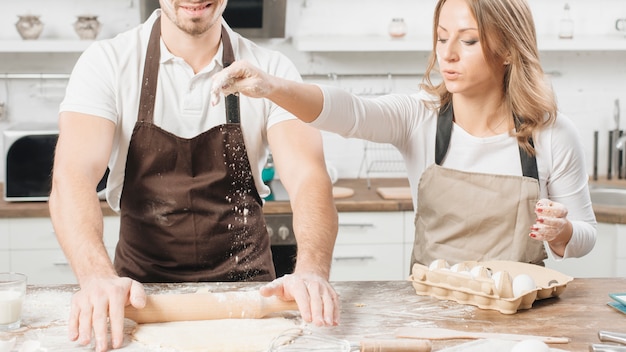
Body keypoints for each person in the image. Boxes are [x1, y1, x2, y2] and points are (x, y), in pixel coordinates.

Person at [211, 0, 597, 269]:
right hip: (431, 310)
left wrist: (562, 232)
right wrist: (272, 87)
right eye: (442, 37)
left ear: (508, 49)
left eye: (468, 40)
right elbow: (352, 111)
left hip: (522, 319)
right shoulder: (420, 118)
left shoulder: (553, 135)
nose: (447, 54)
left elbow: (587, 234)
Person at [49, 1, 340, 351]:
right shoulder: (109, 62)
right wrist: (96, 278)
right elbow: (72, 175)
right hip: (140, 300)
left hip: (252, 296)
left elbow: (309, 176)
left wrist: (311, 270)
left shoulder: (272, 69)